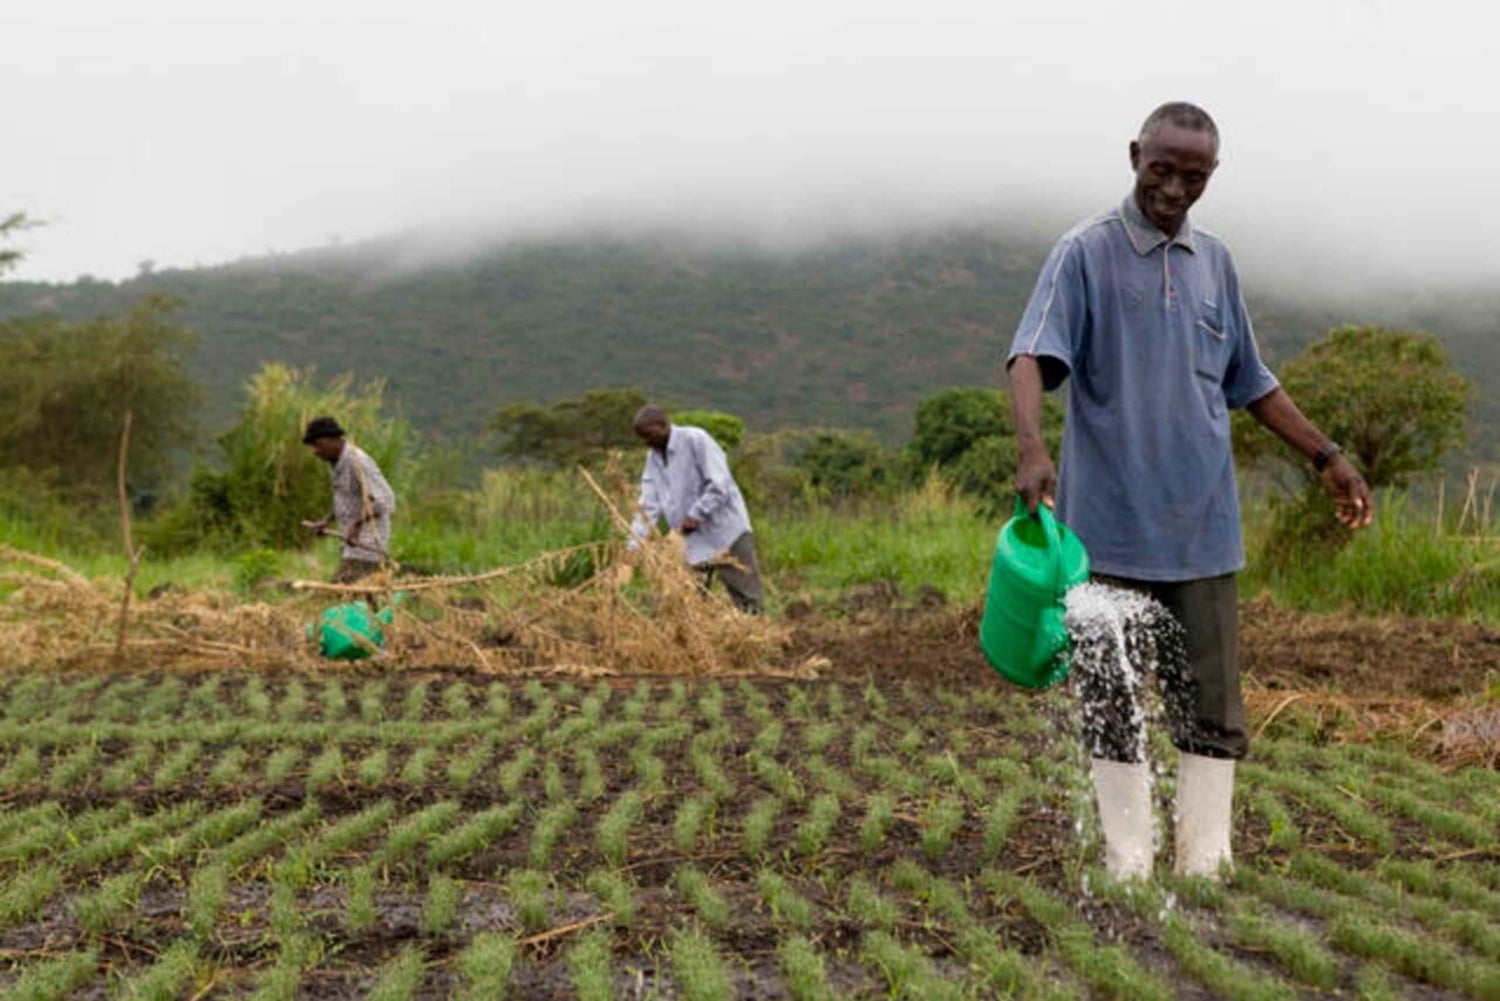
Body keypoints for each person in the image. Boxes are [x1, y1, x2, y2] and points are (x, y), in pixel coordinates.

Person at [1007, 102, 1373, 880]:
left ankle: (1206, 860)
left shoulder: (1216, 263)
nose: (1174, 188)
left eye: (1193, 176)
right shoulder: (1084, 252)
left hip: (1203, 529)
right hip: (1103, 532)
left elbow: (1252, 382)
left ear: (1212, 176)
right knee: (1111, 697)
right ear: (1135, 154)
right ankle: (1127, 858)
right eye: (1161, 169)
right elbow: (1031, 354)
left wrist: (1327, 456)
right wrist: (1033, 447)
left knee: (1212, 702)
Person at [628, 406, 764, 614]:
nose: (646, 442)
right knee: (687, 602)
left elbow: (720, 485)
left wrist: (696, 514)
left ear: (664, 426)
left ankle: (758, 640)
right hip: (689, 541)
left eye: (649, 435)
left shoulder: (696, 440)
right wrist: (634, 544)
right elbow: (648, 503)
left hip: (726, 533)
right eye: (642, 438)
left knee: (746, 598)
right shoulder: (653, 459)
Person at [299, 416, 397, 585]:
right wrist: (326, 521)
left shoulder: (357, 461)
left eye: (317, 445)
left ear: (333, 440)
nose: (315, 451)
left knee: (341, 591)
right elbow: (345, 499)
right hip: (352, 544)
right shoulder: (337, 463)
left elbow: (385, 500)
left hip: (367, 543)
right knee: (360, 596)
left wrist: (357, 524)